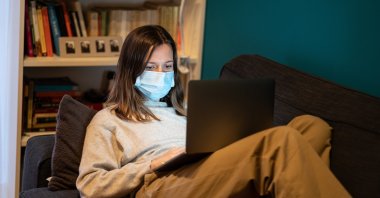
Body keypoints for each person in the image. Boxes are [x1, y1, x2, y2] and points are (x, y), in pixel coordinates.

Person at [76, 25, 351, 198]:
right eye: (150, 67)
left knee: (310, 125)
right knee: (280, 142)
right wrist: (152, 164)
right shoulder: (108, 120)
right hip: (161, 184)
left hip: (207, 170)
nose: (161, 74)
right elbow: (90, 185)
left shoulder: (186, 112)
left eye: (167, 66)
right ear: (130, 69)